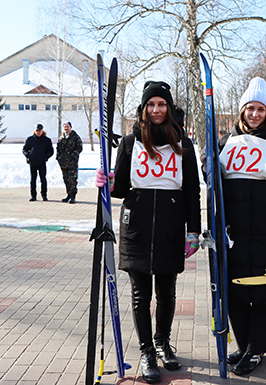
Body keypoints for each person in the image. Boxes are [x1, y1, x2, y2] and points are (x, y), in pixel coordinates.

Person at [95, 81, 201, 384]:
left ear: (169, 108)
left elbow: (192, 190)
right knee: (141, 295)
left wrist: (193, 230)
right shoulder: (130, 142)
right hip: (137, 228)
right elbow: (120, 189)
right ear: (143, 108)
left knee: (166, 295)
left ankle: (162, 342)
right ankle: (146, 352)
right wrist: (107, 179)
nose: (156, 110)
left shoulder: (184, 144)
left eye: (162, 104)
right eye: (151, 104)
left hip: (170, 226)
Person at [219, 77, 266, 376]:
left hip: (264, 227)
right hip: (234, 230)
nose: (254, 114)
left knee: (262, 289)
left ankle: (257, 348)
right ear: (241, 111)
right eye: (250, 108)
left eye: (260, 109)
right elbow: (216, 182)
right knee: (236, 289)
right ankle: (244, 343)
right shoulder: (226, 142)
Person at [22, 123, 54, 201]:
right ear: (35, 131)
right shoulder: (30, 139)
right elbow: (24, 149)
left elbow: (51, 151)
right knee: (33, 179)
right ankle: (33, 196)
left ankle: (44, 195)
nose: (38, 132)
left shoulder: (47, 140)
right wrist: (28, 156)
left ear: (42, 131)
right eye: (37, 130)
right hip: (32, 162)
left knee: (43, 179)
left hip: (42, 163)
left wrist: (45, 157)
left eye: (39, 130)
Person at [56, 121, 83, 203]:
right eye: (64, 126)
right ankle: (68, 195)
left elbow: (79, 148)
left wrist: (73, 156)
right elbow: (58, 148)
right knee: (66, 179)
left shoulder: (75, 137)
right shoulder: (61, 137)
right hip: (63, 163)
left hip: (72, 163)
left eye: (67, 126)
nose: (66, 128)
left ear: (70, 127)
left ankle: (73, 196)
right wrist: (58, 157)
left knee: (72, 180)